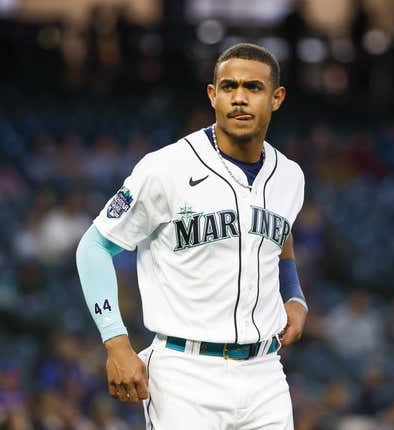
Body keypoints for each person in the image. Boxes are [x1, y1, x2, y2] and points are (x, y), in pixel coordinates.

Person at [77, 43, 308, 429]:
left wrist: (295, 296)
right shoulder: (166, 168)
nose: (238, 97)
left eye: (253, 87)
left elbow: (278, 236)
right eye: (228, 86)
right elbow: (94, 246)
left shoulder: (290, 175)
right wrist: (116, 342)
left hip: (265, 373)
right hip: (185, 373)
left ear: (277, 97)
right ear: (212, 95)